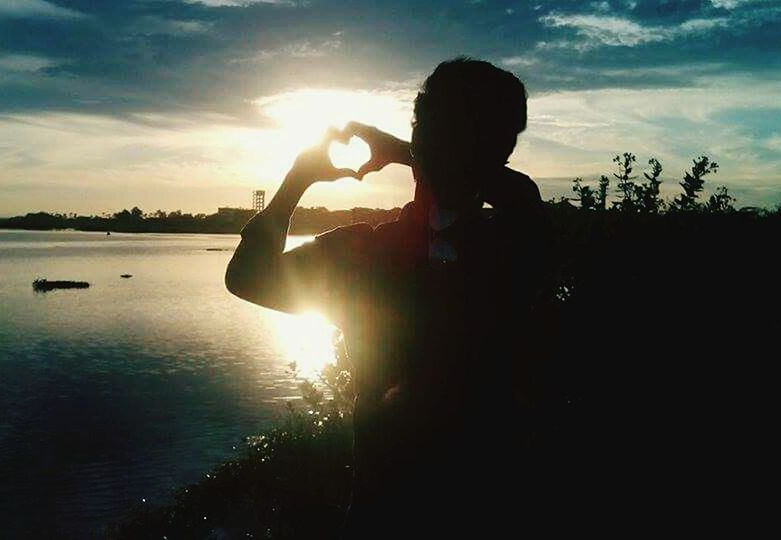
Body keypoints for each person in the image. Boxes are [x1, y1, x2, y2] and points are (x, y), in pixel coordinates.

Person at [226, 57, 552, 537]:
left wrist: (302, 179)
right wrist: (303, 178)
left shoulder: (507, 241)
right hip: (392, 514)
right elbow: (248, 278)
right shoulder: (371, 251)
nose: (496, 150)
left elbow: (518, 195)